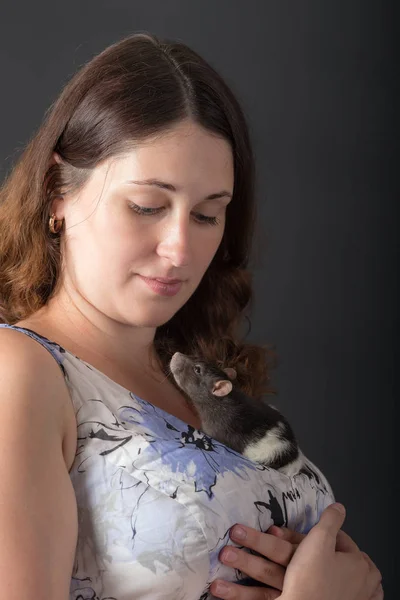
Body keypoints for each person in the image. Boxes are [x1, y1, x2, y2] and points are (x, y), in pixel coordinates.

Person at [0, 32, 382, 600]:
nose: (180, 249)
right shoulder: (21, 374)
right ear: (59, 192)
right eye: (146, 207)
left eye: (207, 215)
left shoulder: (197, 374)